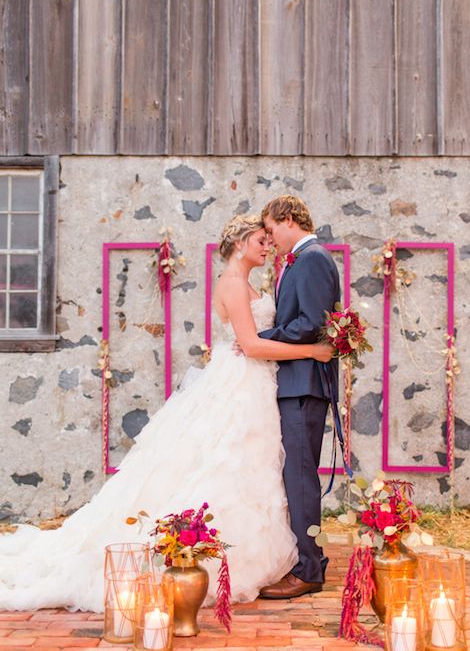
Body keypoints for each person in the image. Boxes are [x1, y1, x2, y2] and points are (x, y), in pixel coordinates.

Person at [0, 215, 333, 613]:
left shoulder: (250, 283)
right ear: (242, 242)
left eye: (268, 239)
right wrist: (314, 351)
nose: (267, 247)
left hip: (258, 384)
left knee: (253, 464)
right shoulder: (231, 284)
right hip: (244, 381)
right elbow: (253, 345)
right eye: (261, 240)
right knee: (226, 461)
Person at [257, 196, 341, 599]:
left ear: (288, 220)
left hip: (305, 383)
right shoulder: (300, 260)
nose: (269, 238)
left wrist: (260, 339)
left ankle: (309, 569)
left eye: (271, 229)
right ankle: (306, 559)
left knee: (301, 476)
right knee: (295, 474)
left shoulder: (311, 259)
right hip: (295, 382)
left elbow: (310, 324)